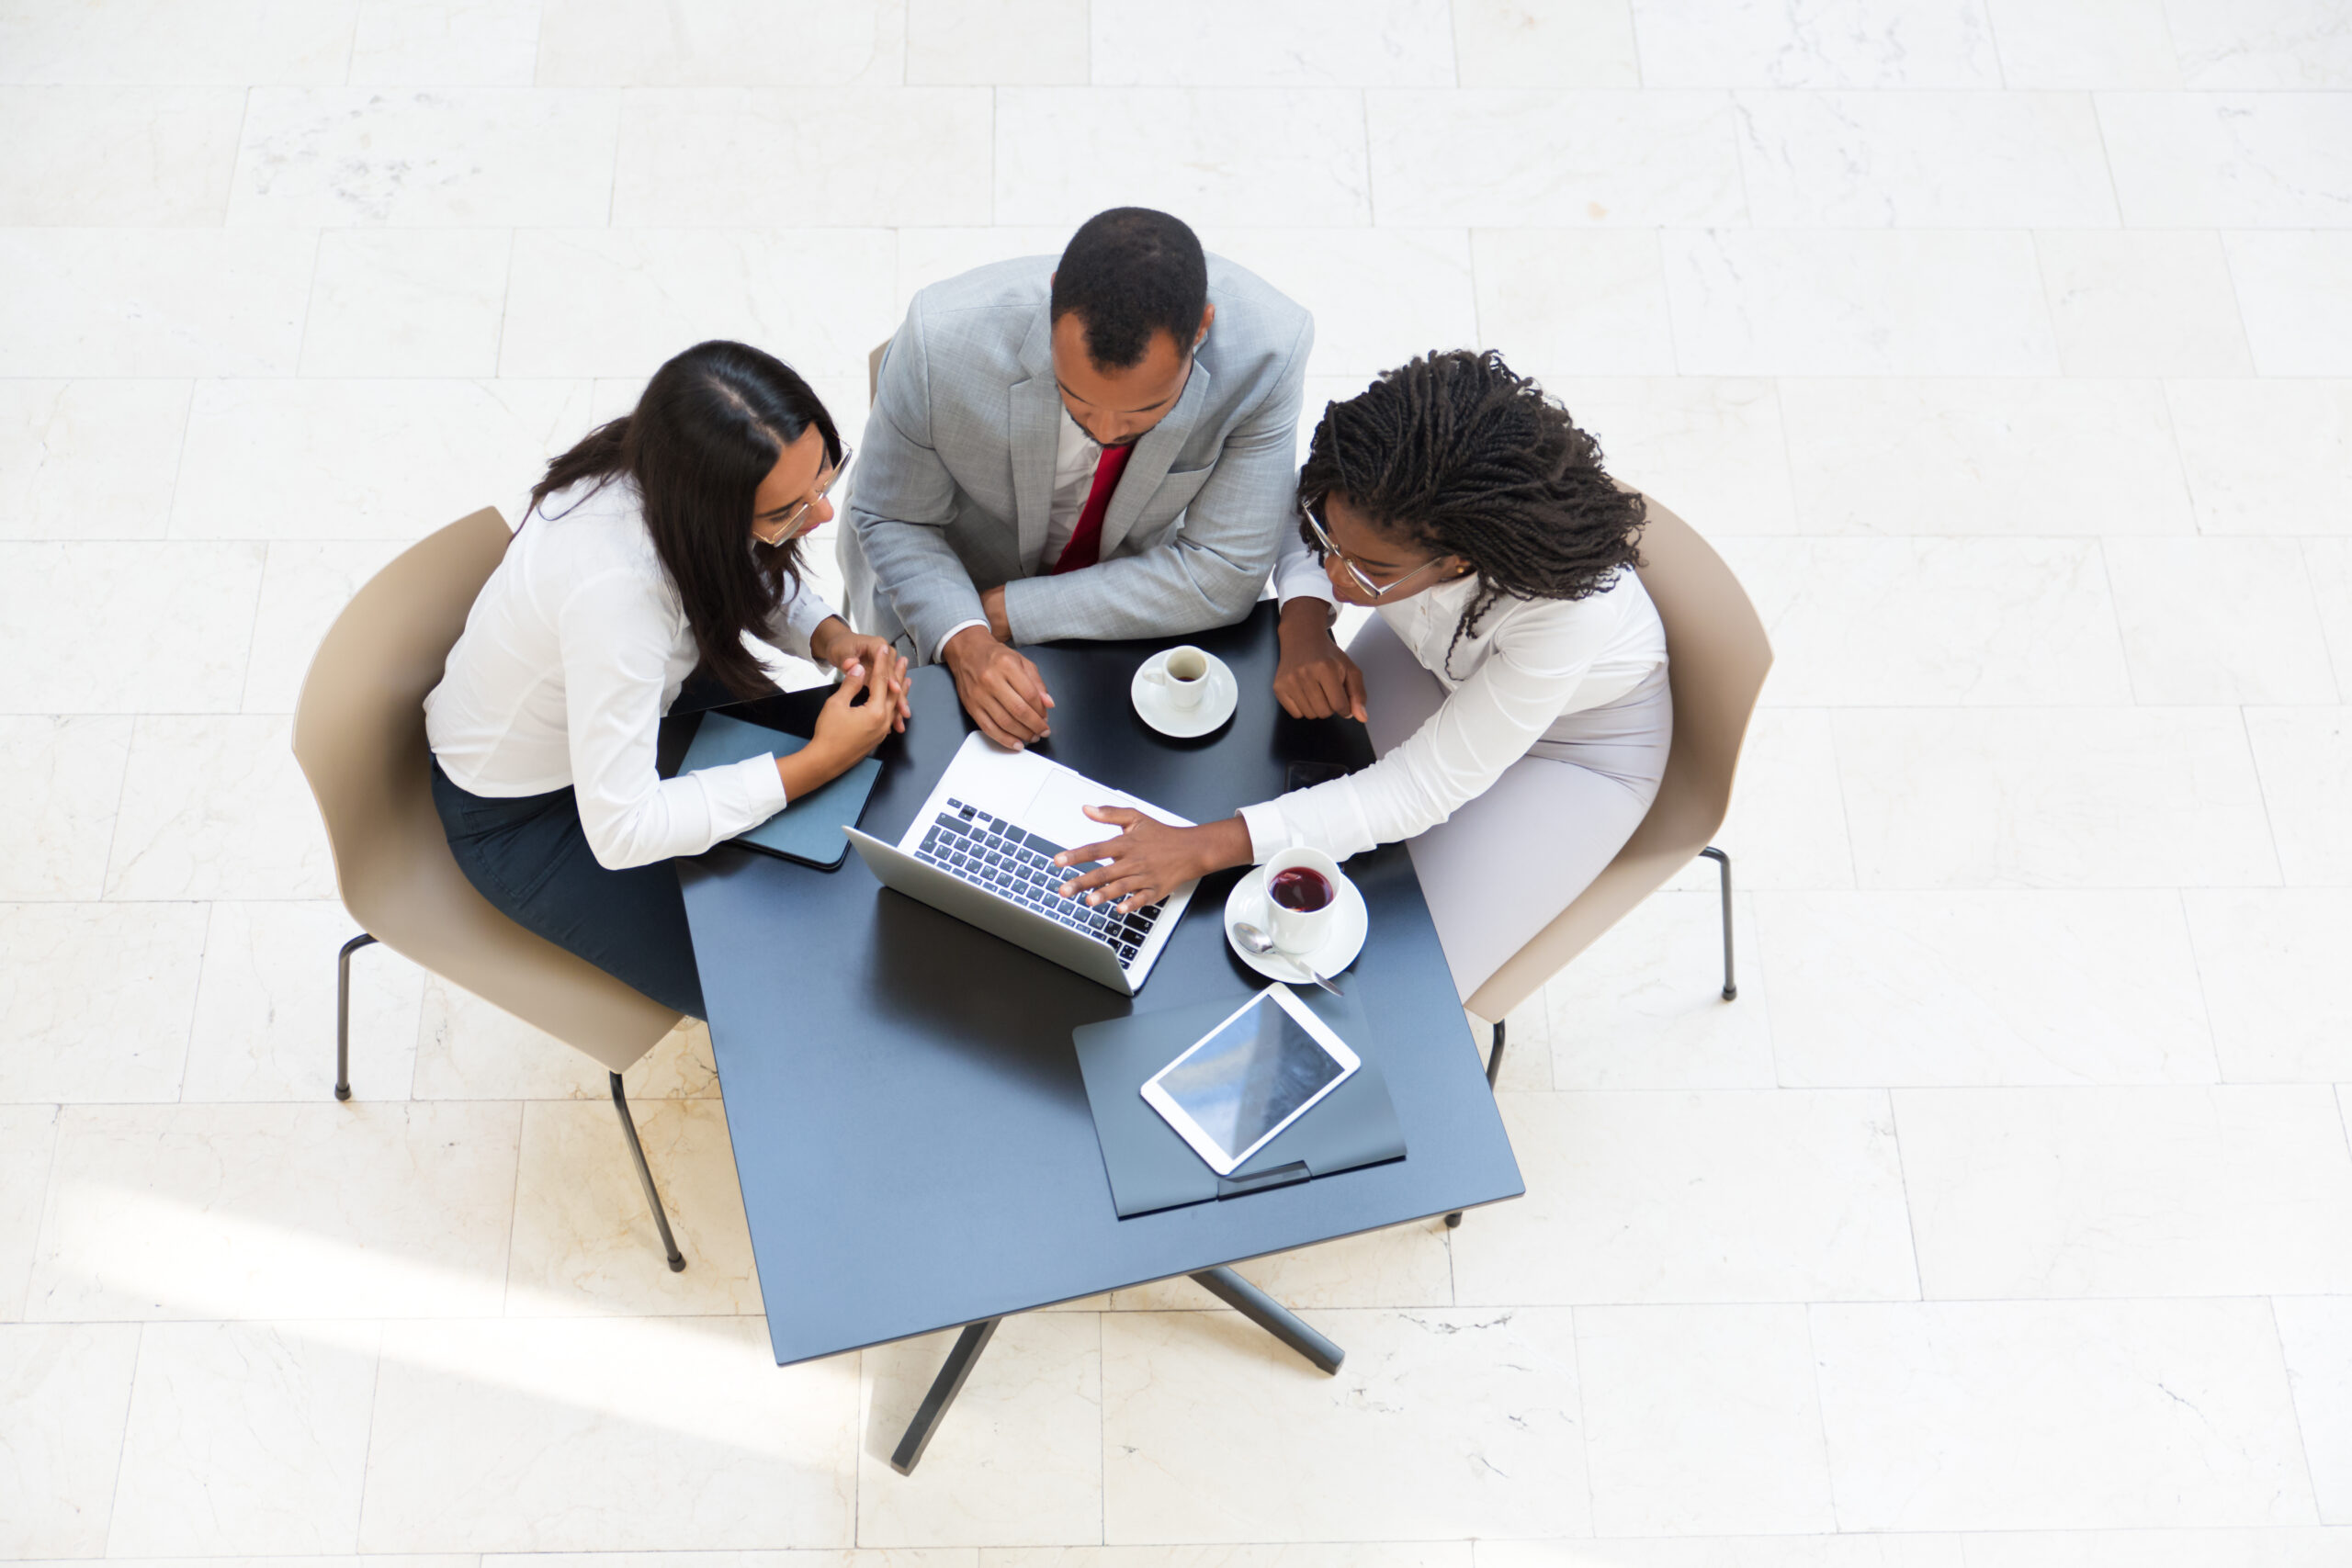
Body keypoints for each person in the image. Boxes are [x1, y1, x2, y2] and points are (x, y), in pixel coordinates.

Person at [1046, 350, 1670, 1001]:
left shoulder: (1566, 614)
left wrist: (1205, 847)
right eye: (1328, 541)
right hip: (1436, 666)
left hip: (1579, 748)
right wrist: (1305, 620)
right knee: (1277, 816)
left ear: (1459, 563)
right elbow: (1293, 508)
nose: (1337, 576)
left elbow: (1420, 788)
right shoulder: (1378, 490)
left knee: (1402, 982)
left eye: (1366, 570)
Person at [424, 340, 910, 1020]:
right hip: (525, 814)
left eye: (823, 481)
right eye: (788, 511)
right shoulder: (616, 596)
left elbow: (729, 561)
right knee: (776, 991)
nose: (822, 517)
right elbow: (622, 827)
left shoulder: (663, 464)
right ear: (708, 507)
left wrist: (828, 635)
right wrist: (818, 760)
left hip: (637, 713)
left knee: (849, 842)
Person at [842, 206, 1312, 751]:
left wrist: (1009, 611)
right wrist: (964, 636)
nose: (1107, 432)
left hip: (1118, 598)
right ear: (1051, 299)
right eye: (1079, 401)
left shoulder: (1270, 354)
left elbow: (1225, 572)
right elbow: (894, 516)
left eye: (1146, 411)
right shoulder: (938, 340)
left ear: (1202, 329)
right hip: (942, 581)